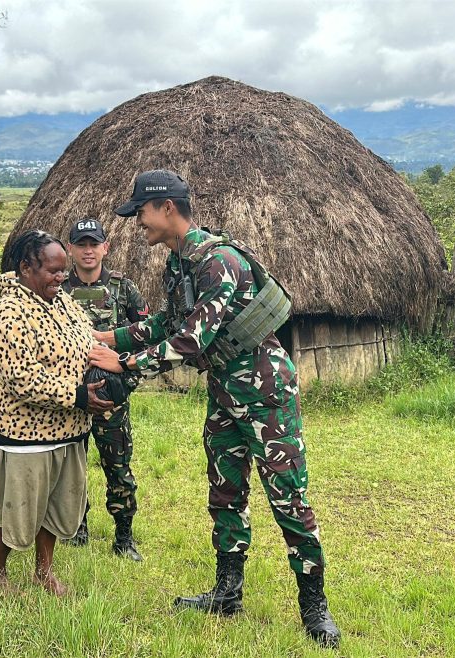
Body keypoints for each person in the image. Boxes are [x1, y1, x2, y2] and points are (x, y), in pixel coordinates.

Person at [89, 170, 341, 647]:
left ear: (166, 208)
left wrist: (123, 363)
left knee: (288, 498)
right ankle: (228, 593)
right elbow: (165, 322)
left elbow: (190, 341)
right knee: (225, 493)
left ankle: (314, 606)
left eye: (139, 213)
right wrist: (108, 337)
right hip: (224, 394)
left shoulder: (217, 261)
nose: (136, 222)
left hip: (266, 396)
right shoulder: (178, 264)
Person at [0, 230, 115, 596]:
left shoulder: (62, 302)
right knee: (19, 507)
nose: (61, 278)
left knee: (57, 507)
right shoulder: (10, 315)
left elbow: (89, 338)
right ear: (26, 267)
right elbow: (20, 377)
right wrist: (76, 395)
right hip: (28, 433)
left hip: (70, 428)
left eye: (63, 271)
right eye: (53, 271)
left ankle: (44, 571)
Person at [60, 218, 149, 560]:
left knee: (118, 467)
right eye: (80, 244)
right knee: (70, 466)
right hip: (72, 398)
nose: (87, 250)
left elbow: (146, 337)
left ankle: (124, 537)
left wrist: (126, 383)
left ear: (105, 248)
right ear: (70, 249)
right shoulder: (59, 291)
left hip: (111, 399)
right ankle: (75, 527)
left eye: (93, 243)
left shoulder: (125, 290)